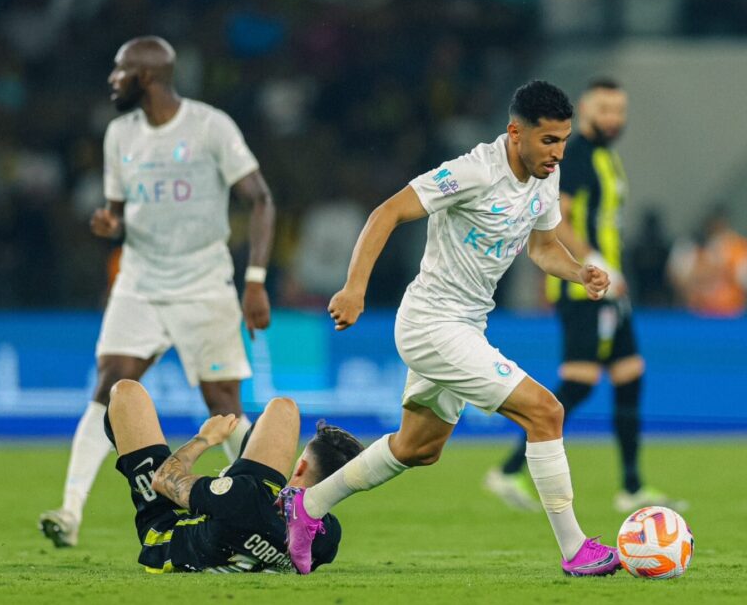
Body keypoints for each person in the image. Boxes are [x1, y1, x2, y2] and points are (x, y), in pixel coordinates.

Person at [280, 80, 619, 577]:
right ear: (515, 132)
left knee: (418, 447)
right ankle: (575, 550)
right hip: (432, 324)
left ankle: (306, 506)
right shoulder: (473, 172)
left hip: (466, 325)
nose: (558, 152)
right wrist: (355, 288)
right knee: (546, 412)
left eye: (564, 140)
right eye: (549, 140)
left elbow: (543, 248)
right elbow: (387, 212)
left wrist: (579, 270)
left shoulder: (547, 176)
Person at [40, 36, 276, 547]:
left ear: (146, 77)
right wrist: (110, 222)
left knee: (224, 403)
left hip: (203, 281)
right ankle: (70, 511)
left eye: (119, 71)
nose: (112, 80)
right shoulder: (119, 134)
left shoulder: (210, 126)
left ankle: (266, 512)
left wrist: (254, 281)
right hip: (141, 279)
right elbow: (119, 210)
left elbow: (260, 199)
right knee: (108, 385)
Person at [485, 79, 684, 514]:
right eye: (605, 109)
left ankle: (631, 487)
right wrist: (596, 263)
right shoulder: (573, 157)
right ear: (588, 111)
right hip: (585, 287)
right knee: (580, 380)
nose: (614, 118)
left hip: (610, 286)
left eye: (620, 109)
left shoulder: (604, 157)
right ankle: (508, 469)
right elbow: (559, 221)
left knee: (630, 374)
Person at [105, 379, 362, 573]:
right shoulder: (329, 536)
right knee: (283, 410)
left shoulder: (244, 497)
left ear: (301, 466)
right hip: (240, 518)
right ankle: (224, 489)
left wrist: (205, 438)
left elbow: (162, 480)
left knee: (126, 394)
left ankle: (220, 485)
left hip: (170, 534)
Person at [667, 204, 747, 317]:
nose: (715, 225)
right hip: (695, 315)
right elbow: (675, 278)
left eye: (718, 222)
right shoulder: (689, 246)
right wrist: (704, 274)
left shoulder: (739, 248)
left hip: (731, 314)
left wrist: (725, 270)